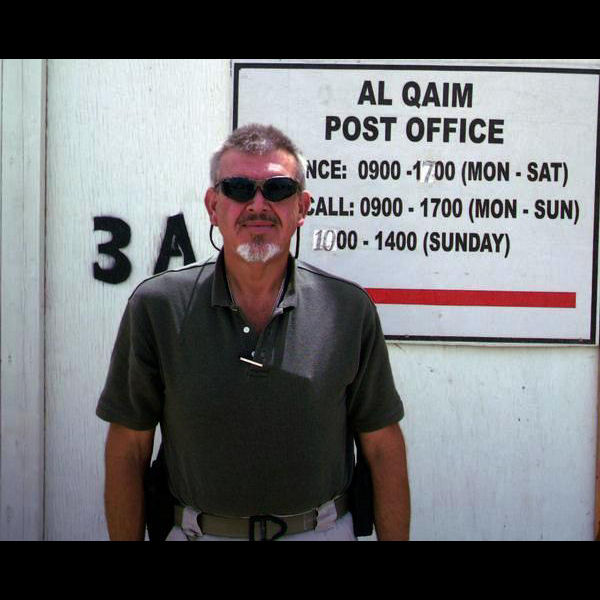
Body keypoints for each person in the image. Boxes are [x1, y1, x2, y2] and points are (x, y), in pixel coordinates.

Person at [96, 123, 410, 541]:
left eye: (278, 189)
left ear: (302, 207)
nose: (258, 205)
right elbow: (128, 447)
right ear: (213, 206)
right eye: (239, 189)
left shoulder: (348, 309)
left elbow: (383, 446)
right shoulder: (158, 307)